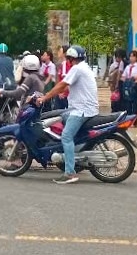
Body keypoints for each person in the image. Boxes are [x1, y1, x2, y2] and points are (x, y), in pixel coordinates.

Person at [38, 45, 99, 185]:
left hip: (81, 110)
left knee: (66, 136)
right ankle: (69, 152)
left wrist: (45, 97)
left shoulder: (77, 69)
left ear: (71, 58)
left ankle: (70, 173)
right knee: (62, 116)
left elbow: (62, 85)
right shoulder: (85, 67)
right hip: (83, 108)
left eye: (68, 58)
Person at [121, 50, 137, 117]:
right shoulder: (128, 67)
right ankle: (128, 117)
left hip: (134, 86)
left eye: (133, 56)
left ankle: (134, 119)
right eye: (130, 56)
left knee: (135, 103)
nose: (131, 58)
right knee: (128, 103)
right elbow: (123, 76)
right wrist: (125, 80)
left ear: (136, 58)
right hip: (127, 86)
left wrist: (134, 77)